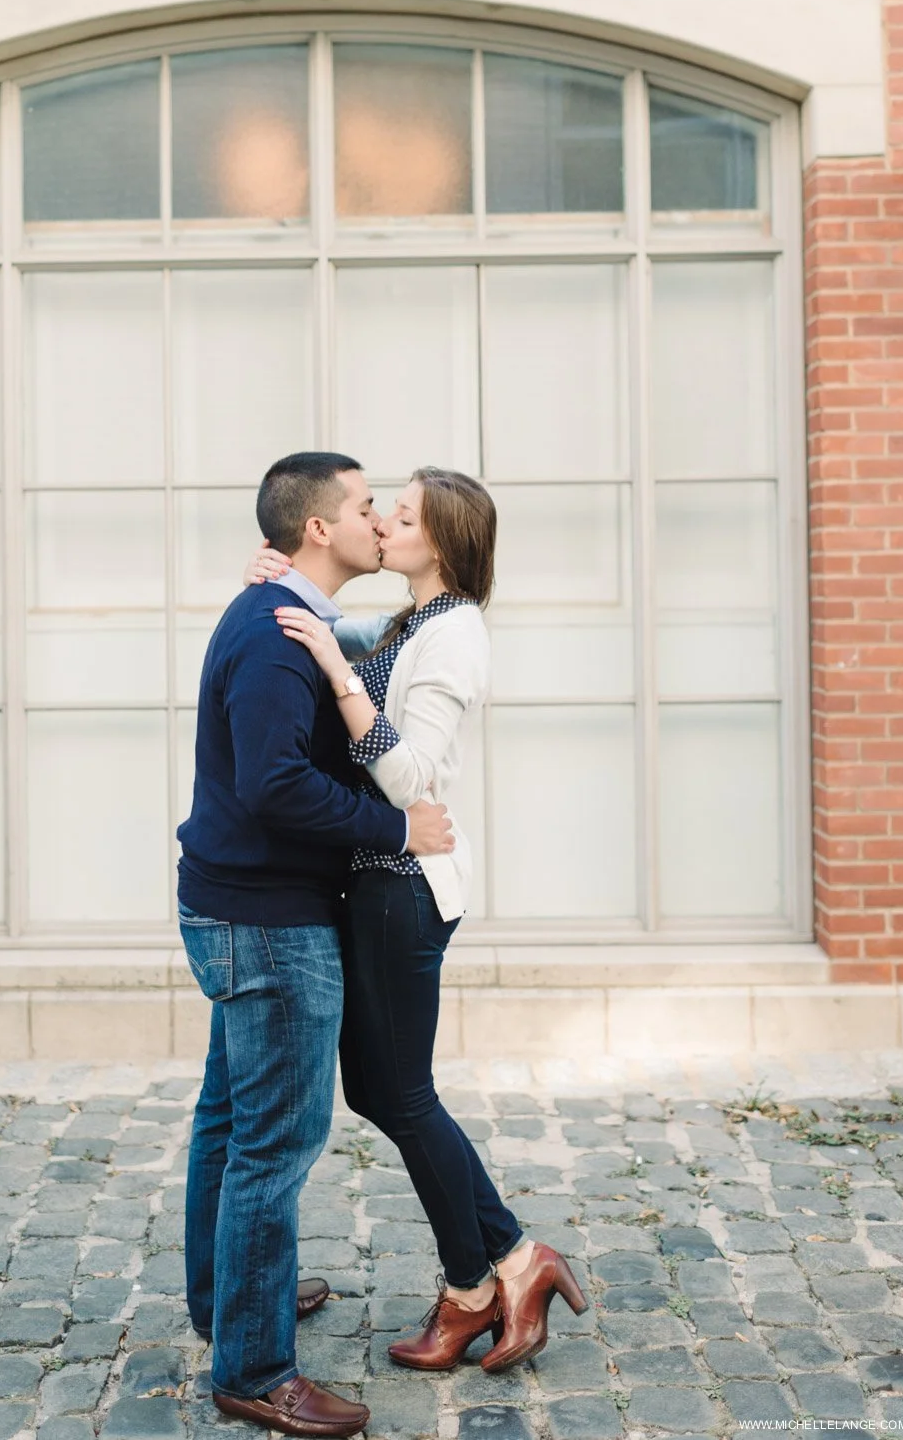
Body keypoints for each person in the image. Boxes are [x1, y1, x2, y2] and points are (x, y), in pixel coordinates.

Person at [248, 467, 587, 1371]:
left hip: (405, 885)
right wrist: (282, 584)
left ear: (439, 541)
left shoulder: (456, 635)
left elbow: (411, 779)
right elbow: (338, 627)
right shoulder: (415, 622)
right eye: (383, 511)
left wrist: (327, 665)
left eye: (401, 517)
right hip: (373, 882)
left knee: (401, 1093)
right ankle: (512, 1260)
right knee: (376, 1089)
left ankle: (478, 1283)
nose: (384, 524)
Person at [176, 451, 458, 1439]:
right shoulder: (271, 635)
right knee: (273, 1142)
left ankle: (229, 1300)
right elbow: (273, 786)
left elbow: (357, 670)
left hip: (247, 909)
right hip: (266, 924)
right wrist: (398, 829)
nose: (379, 517)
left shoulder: (293, 617)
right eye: (365, 505)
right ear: (316, 531)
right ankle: (254, 1371)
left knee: (231, 1118)